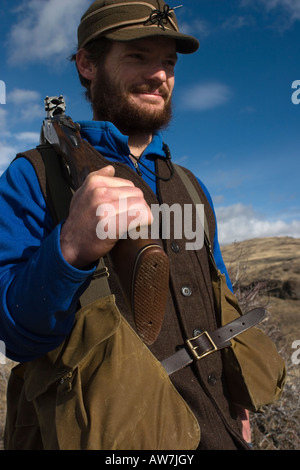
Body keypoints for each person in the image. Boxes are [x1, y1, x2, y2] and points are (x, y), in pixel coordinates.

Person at [0, 0, 258, 450]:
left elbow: (221, 298)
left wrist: (239, 396)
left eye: (168, 63)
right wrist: (70, 248)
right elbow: (14, 332)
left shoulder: (191, 186)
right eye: (137, 56)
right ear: (87, 63)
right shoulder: (33, 175)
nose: (159, 75)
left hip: (221, 427)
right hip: (113, 437)